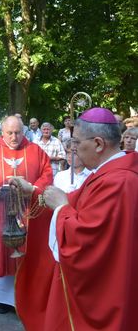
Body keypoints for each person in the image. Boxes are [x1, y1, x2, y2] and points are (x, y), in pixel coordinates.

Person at [15, 108, 138, 330]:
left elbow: (87, 236)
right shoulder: (107, 174)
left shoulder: (119, 181)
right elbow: (75, 201)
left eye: (77, 143)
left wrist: (61, 208)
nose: (74, 150)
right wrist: (33, 191)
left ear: (98, 144)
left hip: (107, 292)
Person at [0, 115, 52, 314]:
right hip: (0, 213)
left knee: (27, 252)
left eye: (18, 132)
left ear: (23, 131)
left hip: (28, 213)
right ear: (2, 132)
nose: (14, 137)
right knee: (3, 252)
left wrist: (32, 188)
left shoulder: (35, 151)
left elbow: (47, 174)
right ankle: (3, 298)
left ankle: (26, 297)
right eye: (10, 133)